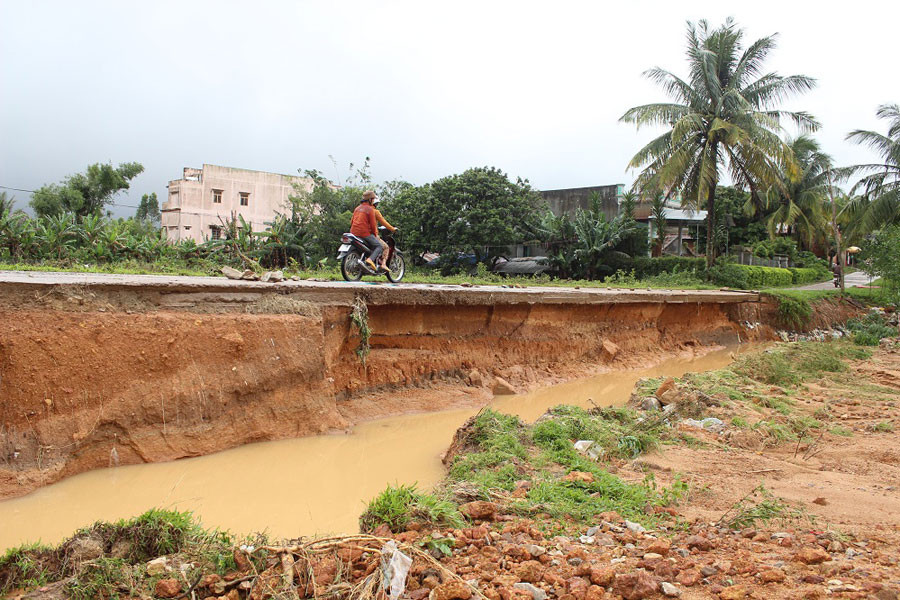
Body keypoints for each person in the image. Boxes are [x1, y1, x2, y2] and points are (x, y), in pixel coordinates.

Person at [349, 190, 382, 271]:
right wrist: (375, 234)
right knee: (379, 246)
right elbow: (373, 225)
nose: (373, 201)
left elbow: (351, 221)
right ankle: (370, 260)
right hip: (364, 234)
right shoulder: (370, 209)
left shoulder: (357, 208)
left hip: (353, 232)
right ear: (370, 200)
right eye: (373, 199)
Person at [372, 197, 397, 270]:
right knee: (386, 247)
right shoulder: (375, 212)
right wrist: (392, 229)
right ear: (375, 204)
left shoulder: (363, 211)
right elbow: (384, 222)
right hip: (371, 235)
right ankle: (383, 264)